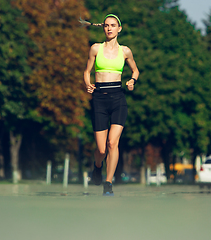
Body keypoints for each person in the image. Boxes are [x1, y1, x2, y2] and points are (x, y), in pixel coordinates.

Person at [82, 14, 139, 196]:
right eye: (106, 25)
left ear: (119, 28)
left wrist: (132, 81)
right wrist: (87, 84)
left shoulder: (125, 51)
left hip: (118, 99)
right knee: (101, 149)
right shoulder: (95, 49)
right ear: (103, 28)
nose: (109, 28)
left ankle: (108, 183)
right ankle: (97, 167)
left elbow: (135, 70)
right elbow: (87, 71)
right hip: (99, 99)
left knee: (112, 143)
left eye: (113, 25)